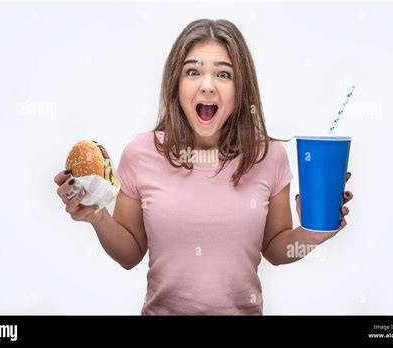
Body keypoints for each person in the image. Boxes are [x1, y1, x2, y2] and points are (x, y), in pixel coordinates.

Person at [54, 19, 353, 315]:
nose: (207, 86)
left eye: (224, 74)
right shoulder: (141, 153)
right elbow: (130, 254)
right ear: (176, 84)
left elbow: (274, 249)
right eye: (193, 72)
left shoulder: (269, 156)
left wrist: (315, 232)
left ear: (241, 89)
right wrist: (97, 216)